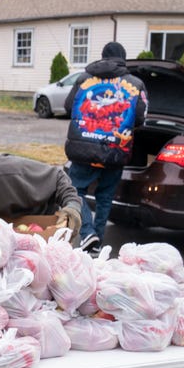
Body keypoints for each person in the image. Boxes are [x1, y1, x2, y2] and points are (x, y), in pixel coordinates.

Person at [63, 41, 148, 253]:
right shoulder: (136, 83)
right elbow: (139, 117)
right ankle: (95, 240)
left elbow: (67, 106)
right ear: (123, 59)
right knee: (104, 197)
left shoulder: (83, 79)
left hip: (82, 149)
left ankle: (88, 234)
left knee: (76, 190)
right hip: (115, 150)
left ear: (102, 56)